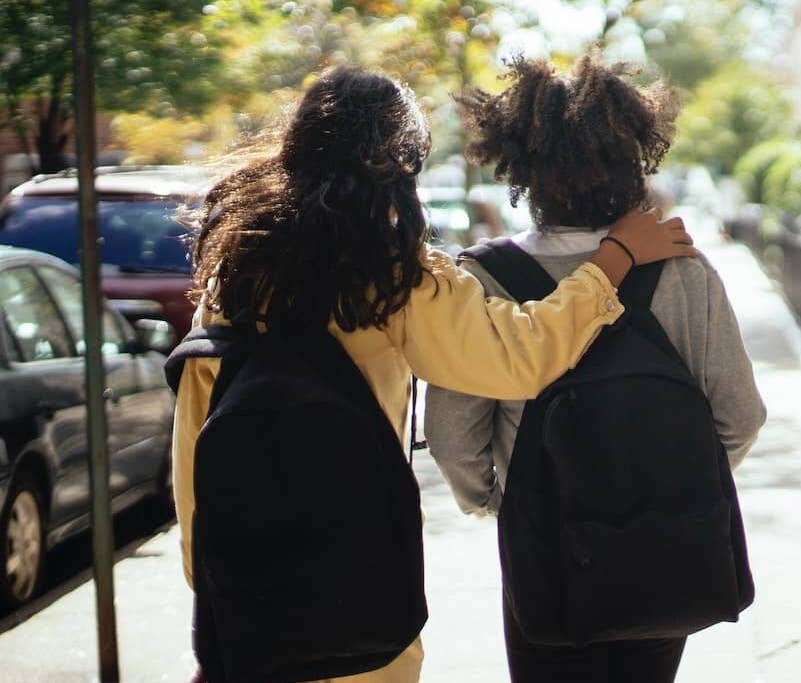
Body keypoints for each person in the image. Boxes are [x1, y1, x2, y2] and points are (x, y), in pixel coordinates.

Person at [172, 67, 695, 683]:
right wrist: (617, 258)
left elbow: (195, 438)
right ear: (398, 165)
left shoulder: (237, 264)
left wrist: (210, 591)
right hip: (354, 590)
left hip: (246, 604)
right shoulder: (386, 279)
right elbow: (520, 355)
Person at [425, 55, 766, 683]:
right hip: (667, 537)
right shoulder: (684, 270)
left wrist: (497, 500)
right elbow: (741, 415)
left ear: (521, 167)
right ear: (634, 156)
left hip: (545, 540)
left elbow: (453, 436)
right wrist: (676, 480)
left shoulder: (484, 279)